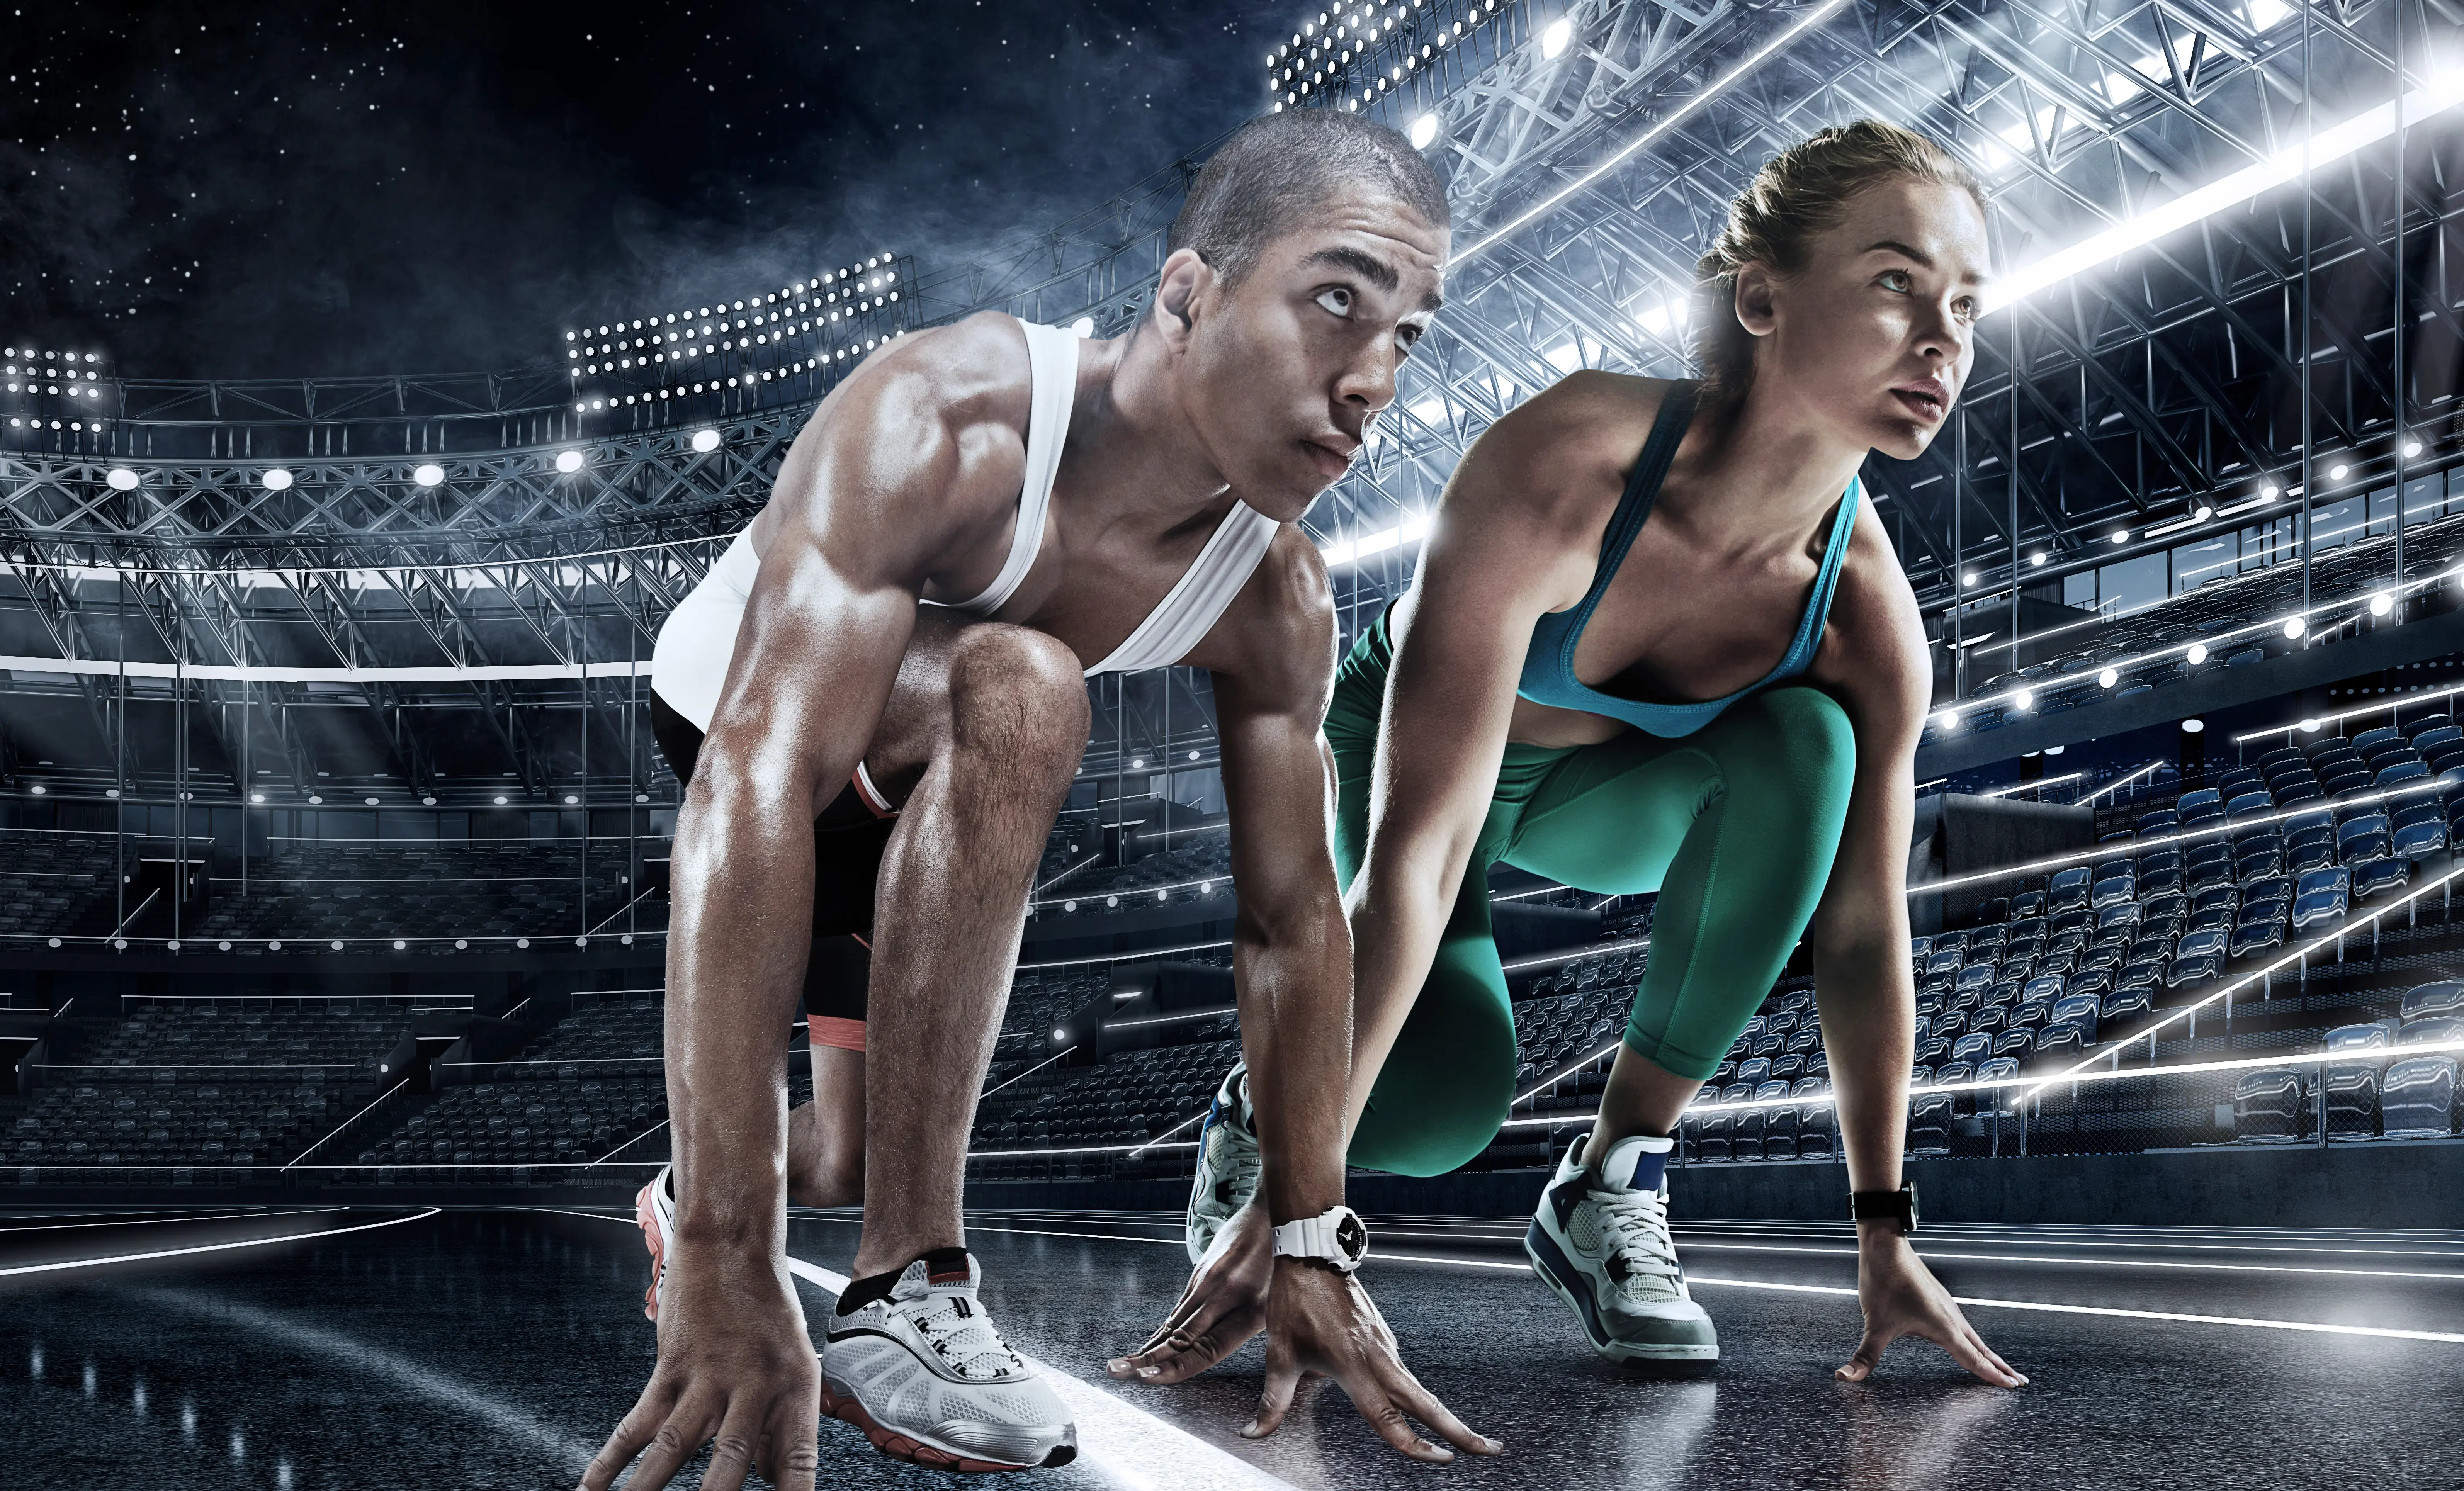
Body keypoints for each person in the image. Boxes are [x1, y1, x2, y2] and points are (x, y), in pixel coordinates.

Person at [580, 108, 1500, 1491]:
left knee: (829, 1158)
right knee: (1028, 682)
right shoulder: (943, 418)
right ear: (1188, 294)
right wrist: (725, 1253)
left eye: (1407, 335)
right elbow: (758, 776)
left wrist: (1306, 1231)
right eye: (1335, 302)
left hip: (918, 809)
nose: (1374, 377)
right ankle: (908, 1285)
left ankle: (707, 1193)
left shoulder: (1275, 592)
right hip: (746, 729)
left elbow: (1296, 917)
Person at [1115, 120, 2026, 1393]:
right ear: (1763, 297)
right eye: (1896, 283)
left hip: (1605, 796)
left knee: (1807, 740)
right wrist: (1300, 1209)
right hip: (1423, 769)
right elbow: (1420, 855)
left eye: (1967, 308)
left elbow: (1867, 933)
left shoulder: (1866, 619)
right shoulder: (1573, 462)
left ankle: (1611, 1181)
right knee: (1435, 1116)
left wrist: (1885, 1233)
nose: (1943, 338)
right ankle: (1254, 1111)